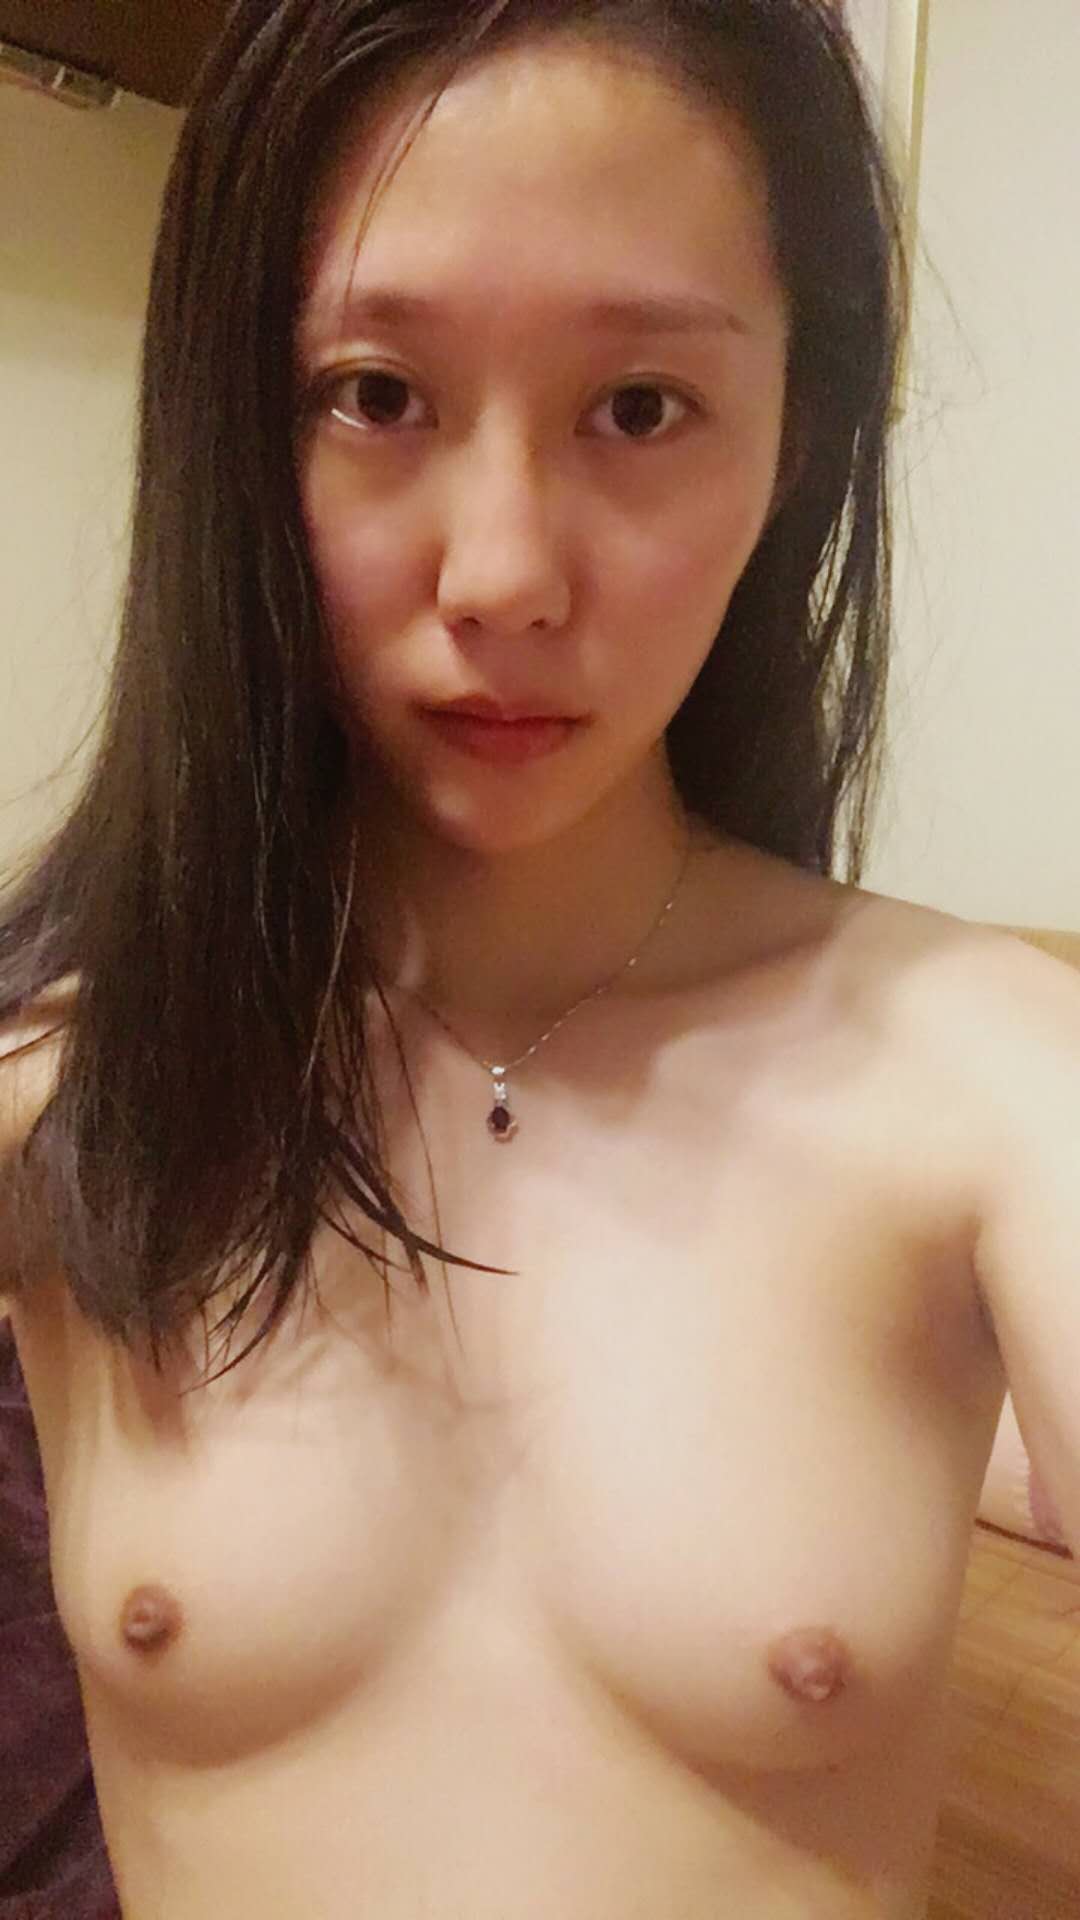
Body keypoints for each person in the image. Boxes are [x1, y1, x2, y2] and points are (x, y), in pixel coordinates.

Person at [1, 0, 1078, 1914]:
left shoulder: (993, 1081)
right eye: (376, 394)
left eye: (639, 408)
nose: (502, 572)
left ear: (796, 440)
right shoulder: (73, 1090)